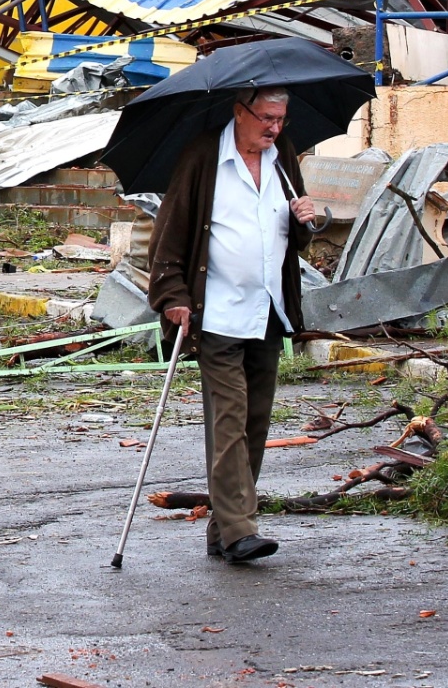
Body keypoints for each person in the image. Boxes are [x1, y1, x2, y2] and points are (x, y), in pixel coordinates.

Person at [144, 87, 316, 563]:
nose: (274, 128)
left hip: (268, 311)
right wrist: (172, 297)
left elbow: (292, 237)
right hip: (216, 314)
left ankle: (222, 529)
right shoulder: (203, 157)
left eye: (281, 118)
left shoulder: (283, 157)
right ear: (239, 112)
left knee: (255, 423)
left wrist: (306, 220)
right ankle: (241, 530)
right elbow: (169, 234)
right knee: (229, 419)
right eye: (265, 117)